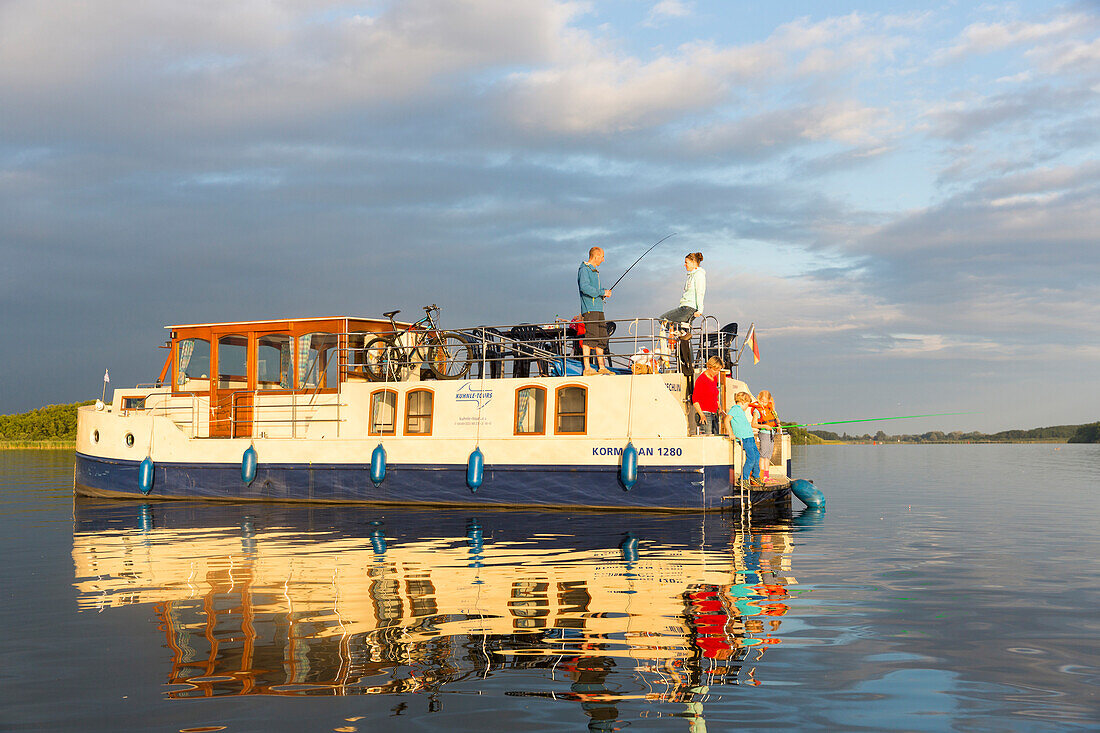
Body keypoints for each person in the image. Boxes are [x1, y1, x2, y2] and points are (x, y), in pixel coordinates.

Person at [577, 246, 612, 375]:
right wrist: (602, 292)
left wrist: (602, 294)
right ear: (596, 256)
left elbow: (593, 291)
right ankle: (587, 368)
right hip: (590, 309)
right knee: (590, 337)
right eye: (602, 257)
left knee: (602, 337)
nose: (603, 260)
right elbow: (585, 288)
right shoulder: (584, 270)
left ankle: (601, 367)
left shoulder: (594, 271)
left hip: (598, 308)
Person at [658, 252, 706, 328]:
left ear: (693, 262)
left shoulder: (698, 275)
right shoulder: (691, 276)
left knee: (662, 319)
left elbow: (700, 292)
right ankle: (684, 332)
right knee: (682, 331)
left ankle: (683, 330)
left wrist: (700, 310)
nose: (685, 265)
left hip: (688, 308)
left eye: (686, 262)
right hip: (685, 307)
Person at [727, 391, 764, 487]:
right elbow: (727, 420)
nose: (747, 407)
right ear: (742, 402)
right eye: (747, 405)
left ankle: (755, 476)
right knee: (751, 458)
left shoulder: (741, 411)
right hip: (744, 438)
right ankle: (743, 479)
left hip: (750, 437)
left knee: (757, 456)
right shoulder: (735, 409)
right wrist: (730, 433)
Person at [752, 390, 781, 481]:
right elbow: (753, 424)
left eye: (766, 402)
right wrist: (764, 426)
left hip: (772, 434)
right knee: (763, 455)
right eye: (762, 401)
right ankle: (761, 476)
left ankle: (767, 476)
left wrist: (778, 426)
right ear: (759, 400)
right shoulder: (757, 410)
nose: (764, 403)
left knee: (768, 456)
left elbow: (777, 421)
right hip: (764, 434)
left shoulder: (771, 409)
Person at [692, 356, 725, 435]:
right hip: (705, 413)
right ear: (709, 367)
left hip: (714, 413)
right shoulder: (701, 379)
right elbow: (695, 399)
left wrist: (719, 408)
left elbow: (714, 396)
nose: (716, 372)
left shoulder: (714, 379)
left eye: (718, 370)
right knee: (708, 437)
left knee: (716, 436)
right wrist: (701, 414)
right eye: (715, 370)